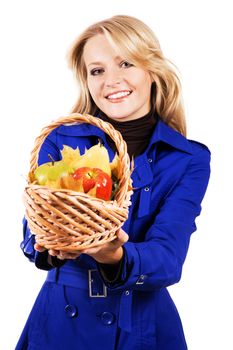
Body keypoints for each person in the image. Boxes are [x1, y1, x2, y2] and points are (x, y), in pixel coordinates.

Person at [16, 15, 211, 350]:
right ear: (87, 80)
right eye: (97, 70)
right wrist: (51, 241)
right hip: (63, 322)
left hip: (141, 325)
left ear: (152, 70)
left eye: (126, 63)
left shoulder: (188, 158)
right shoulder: (62, 140)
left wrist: (114, 256)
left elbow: (168, 257)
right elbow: (35, 232)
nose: (112, 80)